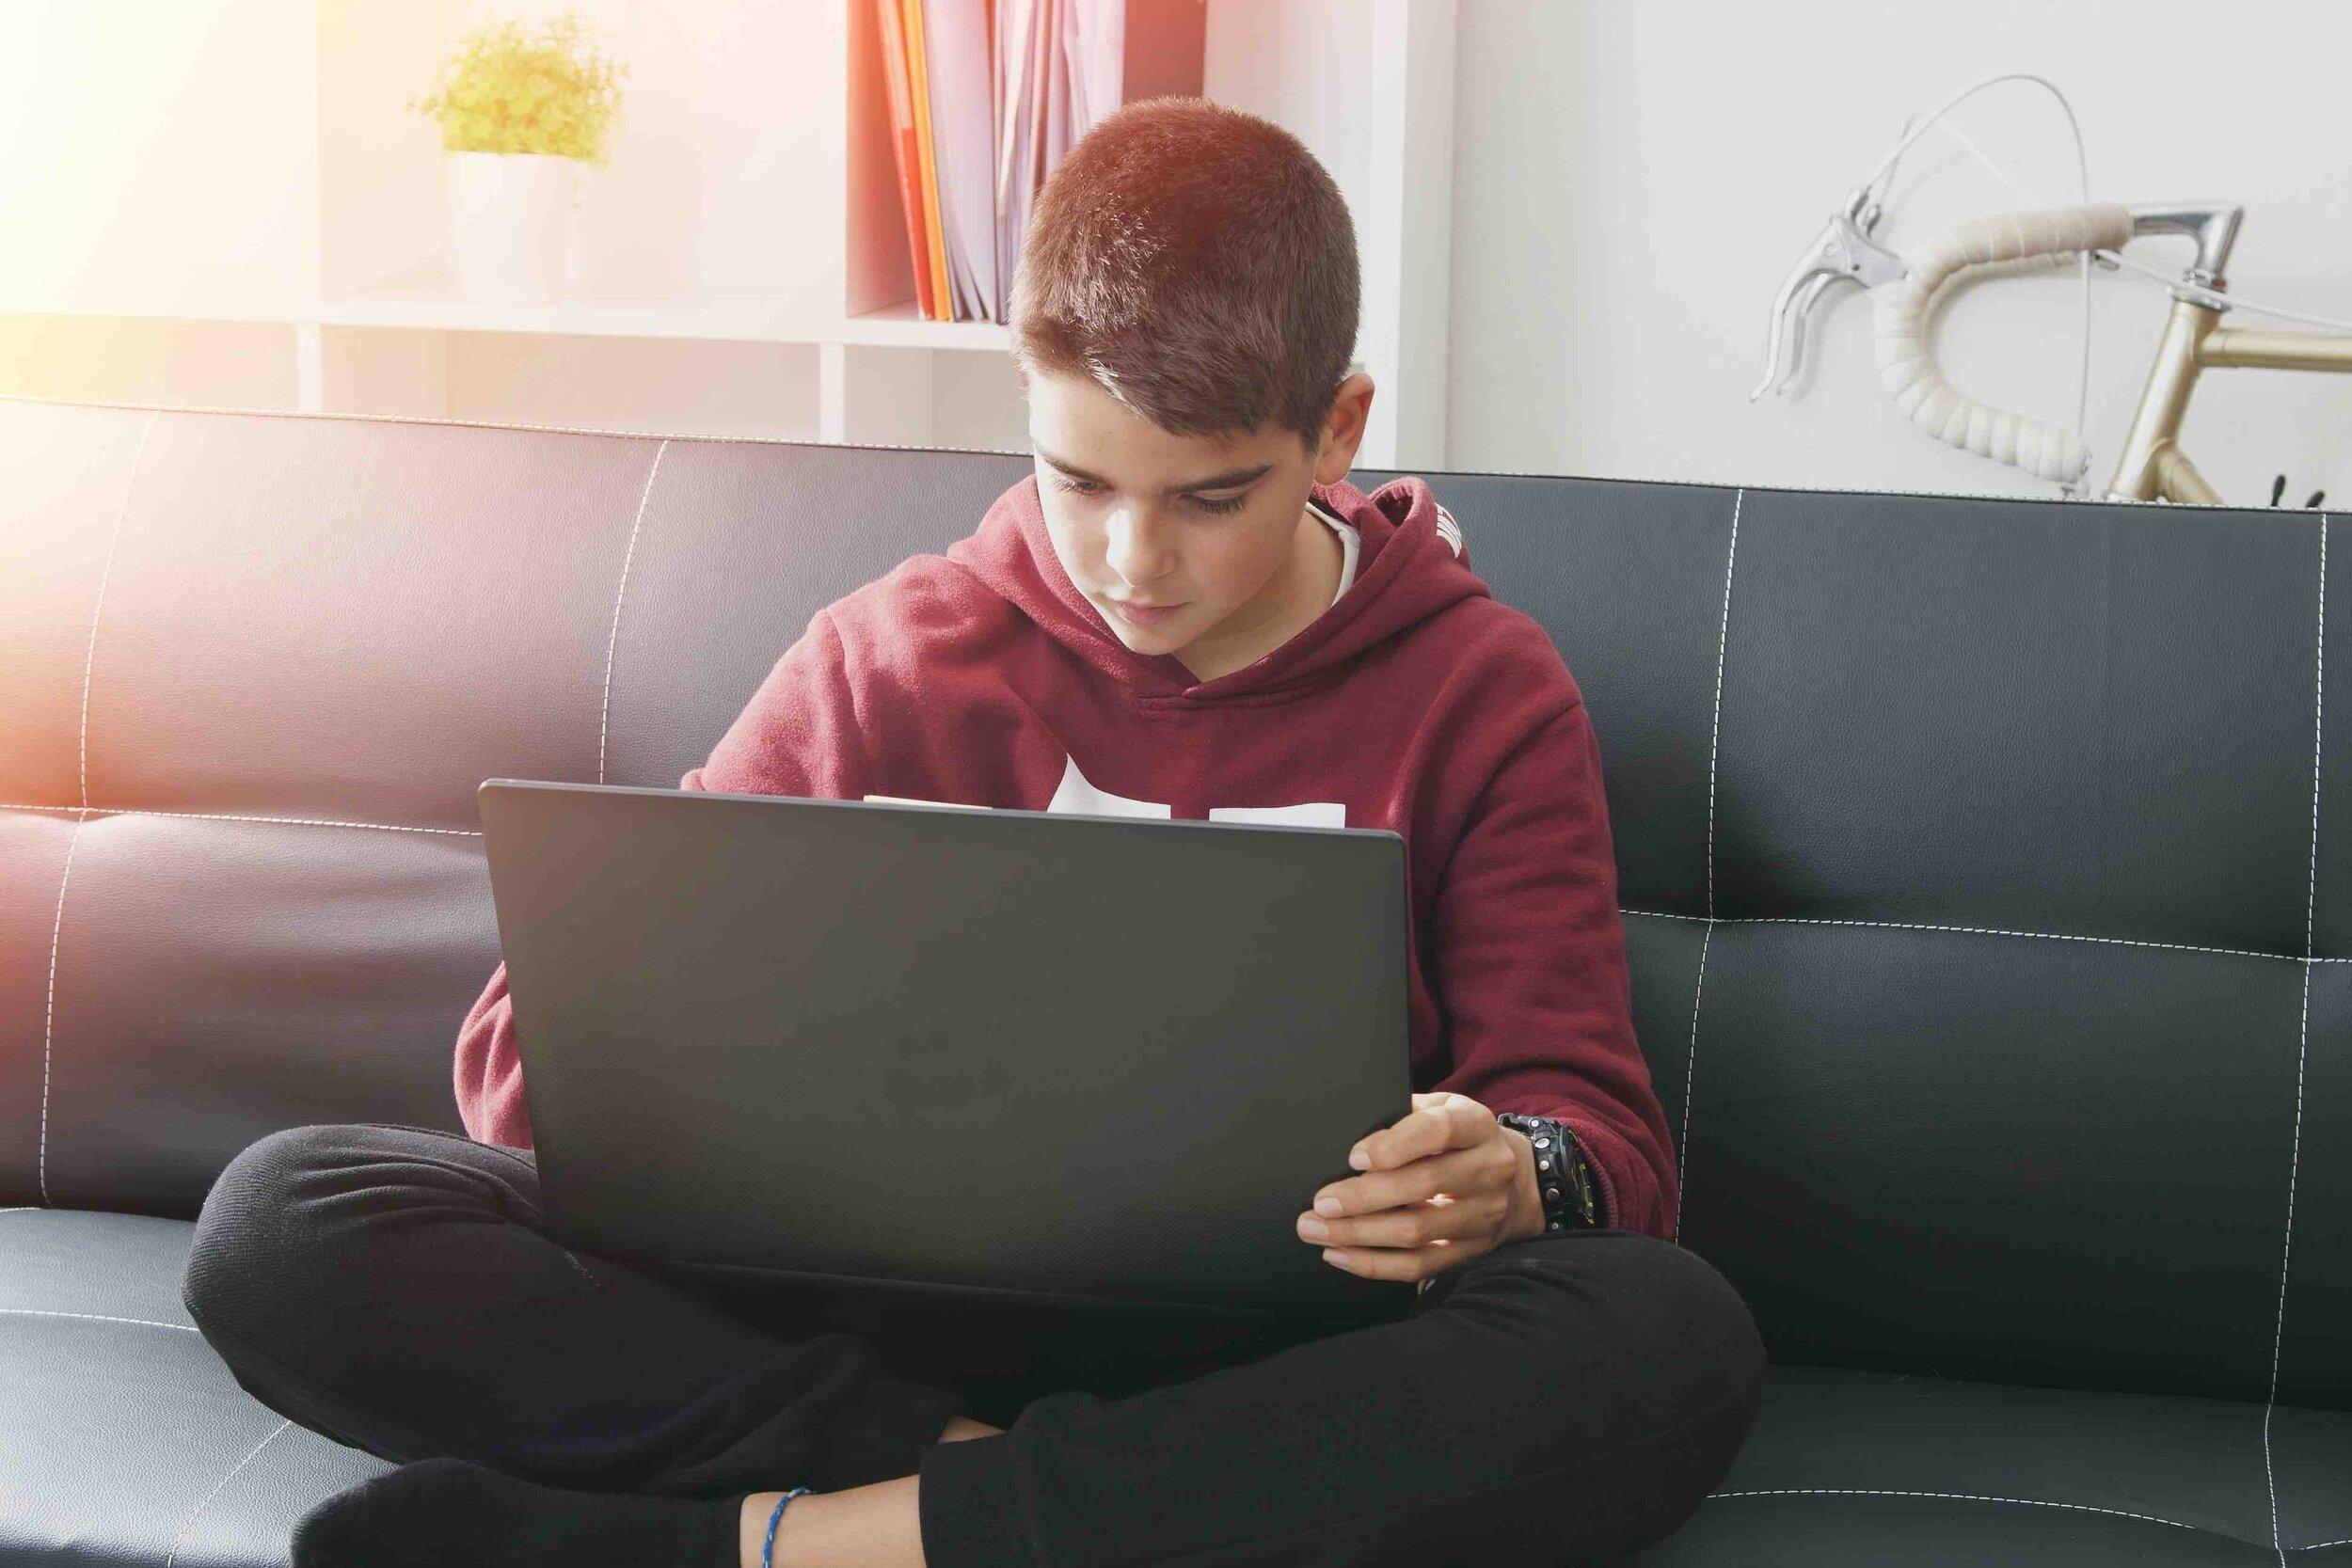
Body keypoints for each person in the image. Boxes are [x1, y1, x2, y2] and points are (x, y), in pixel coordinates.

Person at [180, 96, 1764, 1568]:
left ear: (1336, 429)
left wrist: (1509, 1172)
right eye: (1078, 480)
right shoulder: (896, 650)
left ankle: (772, 1548)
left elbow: (1604, 1139)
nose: (1132, 562)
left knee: (1665, 1338)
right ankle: (997, 1505)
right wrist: (706, 1062)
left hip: (1274, 1338)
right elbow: (523, 1074)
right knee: (283, 1225)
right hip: (876, 1323)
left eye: (1210, 499)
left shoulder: (1483, 691)